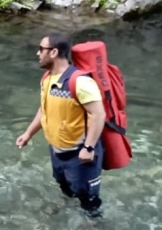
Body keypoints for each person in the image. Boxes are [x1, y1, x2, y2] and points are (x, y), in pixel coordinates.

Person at [16, 33, 106, 219]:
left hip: (80, 155)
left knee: (88, 198)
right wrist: (28, 133)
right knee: (65, 187)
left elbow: (98, 114)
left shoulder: (80, 82)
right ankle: (69, 211)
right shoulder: (47, 79)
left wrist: (88, 148)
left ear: (54, 52)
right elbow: (44, 110)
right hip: (57, 151)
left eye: (41, 49)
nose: (37, 53)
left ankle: (95, 228)